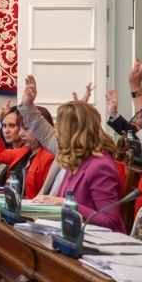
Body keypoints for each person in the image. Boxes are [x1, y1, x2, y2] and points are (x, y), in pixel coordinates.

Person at [32, 99, 125, 232]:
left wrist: (64, 203)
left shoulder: (100, 166)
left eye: (59, 128)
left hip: (97, 243)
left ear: (73, 131)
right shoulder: (75, 158)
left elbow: (108, 220)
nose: (56, 134)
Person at [0, 101, 54, 199]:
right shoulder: (26, 151)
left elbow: (47, 196)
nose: (21, 133)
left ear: (42, 128)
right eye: (20, 128)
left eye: (26, 128)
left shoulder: (50, 156)